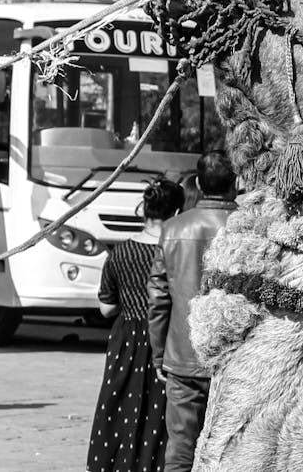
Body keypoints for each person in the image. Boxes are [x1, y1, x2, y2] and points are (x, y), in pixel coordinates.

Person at [87, 178, 185, 472]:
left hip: (127, 340)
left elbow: (106, 308)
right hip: (166, 338)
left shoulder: (120, 253)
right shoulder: (176, 251)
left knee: (121, 408)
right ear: (176, 213)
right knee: (161, 412)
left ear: (144, 210)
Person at [148, 150, 238, 472]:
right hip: (236, 358)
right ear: (236, 183)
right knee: (234, 449)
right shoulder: (251, 226)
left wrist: (159, 353)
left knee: (181, 449)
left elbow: (158, 298)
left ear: (198, 183)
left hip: (183, 357)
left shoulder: (173, 228)